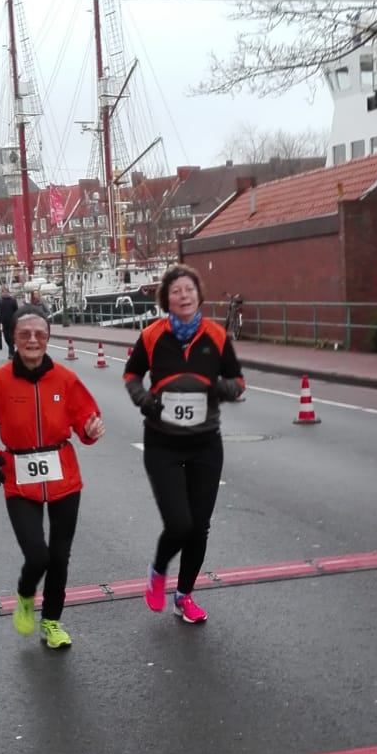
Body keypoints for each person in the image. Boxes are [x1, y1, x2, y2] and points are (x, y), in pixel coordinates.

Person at [0, 303, 105, 649]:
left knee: (59, 556)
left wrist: (90, 430)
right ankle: (26, 594)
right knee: (38, 556)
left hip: (65, 480)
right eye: (24, 333)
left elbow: (86, 421)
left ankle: (52, 622)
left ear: (48, 338)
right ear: (13, 337)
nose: (32, 340)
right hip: (20, 480)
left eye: (39, 334)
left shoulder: (65, 379)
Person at [124, 264, 245, 626]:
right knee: (179, 524)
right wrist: (144, 400)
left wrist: (216, 388)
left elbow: (237, 382)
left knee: (200, 527)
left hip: (206, 443)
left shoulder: (217, 336)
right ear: (167, 299)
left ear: (198, 295)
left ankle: (185, 595)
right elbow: (132, 375)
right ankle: (158, 571)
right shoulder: (151, 336)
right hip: (162, 443)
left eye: (189, 289)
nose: (183, 296)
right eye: (176, 290)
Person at [0, 287, 18, 355]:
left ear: (9, 293)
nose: (5, 294)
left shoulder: (13, 300)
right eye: (3, 292)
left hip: (12, 321)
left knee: (11, 337)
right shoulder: (1, 301)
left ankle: (11, 352)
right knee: (6, 338)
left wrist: (17, 319)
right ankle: (11, 349)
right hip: (4, 322)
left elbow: (16, 310)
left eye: (6, 292)